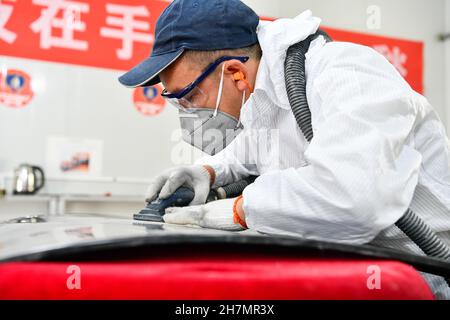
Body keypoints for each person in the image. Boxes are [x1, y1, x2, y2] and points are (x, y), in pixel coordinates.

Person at [119, 0, 450, 298]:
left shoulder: (346, 73)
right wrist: (208, 171)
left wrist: (237, 211)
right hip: (360, 268)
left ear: (234, 73)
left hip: (426, 275)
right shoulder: (266, 98)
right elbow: (254, 147)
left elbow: (352, 198)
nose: (187, 112)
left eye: (188, 97)